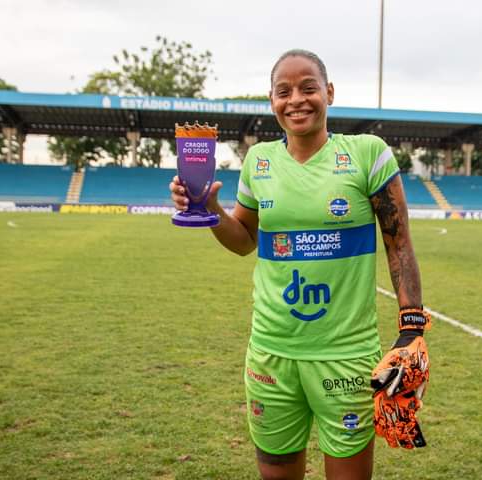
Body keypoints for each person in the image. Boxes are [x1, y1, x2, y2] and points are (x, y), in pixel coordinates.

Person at [170, 49, 430, 480]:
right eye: (283, 91)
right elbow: (244, 241)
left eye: (309, 88)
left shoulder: (368, 154)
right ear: (271, 101)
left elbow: (398, 242)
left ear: (328, 92)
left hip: (346, 355)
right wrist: (209, 207)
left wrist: (411, 327)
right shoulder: (259, 161)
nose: (297, 100)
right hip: (272, 353)